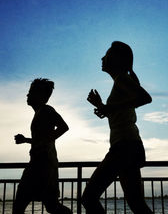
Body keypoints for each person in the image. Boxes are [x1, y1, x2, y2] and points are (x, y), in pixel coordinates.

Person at [82, 41, 153, 214]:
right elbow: (122, 113)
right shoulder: (121, 82)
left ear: (116, 59)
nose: (102, 58)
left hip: (124, 146)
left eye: (106, 55)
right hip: (129, 145)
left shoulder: (122, 78)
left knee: (88, 198)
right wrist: (102, 106)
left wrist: (109, 108)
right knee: (137, 204)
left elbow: (145, 98)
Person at [13, 78, 72, 214]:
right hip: (39, 163)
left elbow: (64, 127)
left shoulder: (47, 110)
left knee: (27, 205)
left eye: (32, 92)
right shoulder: (39, 113)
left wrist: (44, 141)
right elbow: (41, 139)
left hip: (44, 165)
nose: (28, 95)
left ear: (41, 96)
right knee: (50, 206)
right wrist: (26, 140)